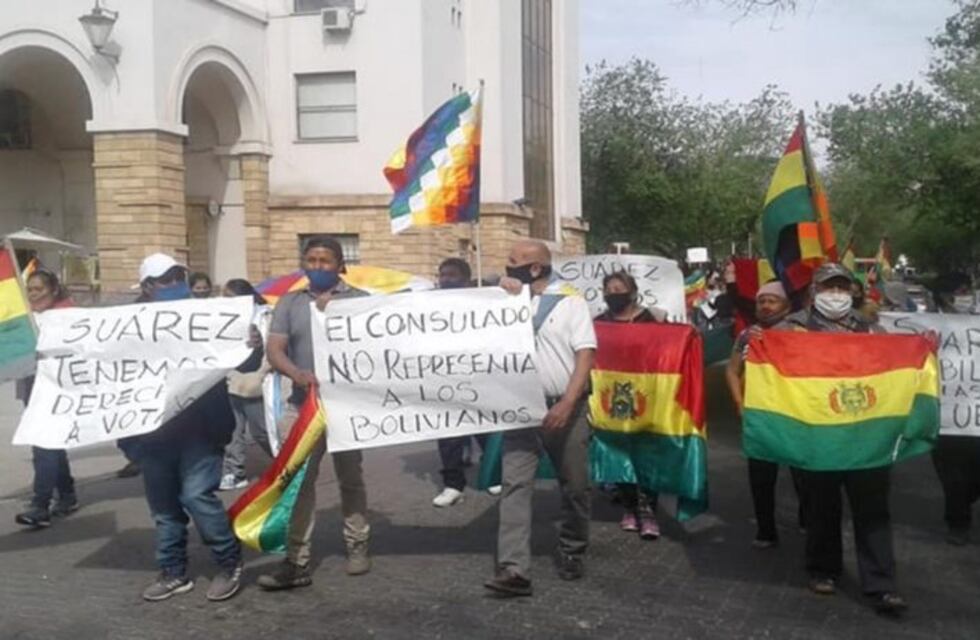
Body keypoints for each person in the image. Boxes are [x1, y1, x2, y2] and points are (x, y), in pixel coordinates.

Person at [775, 262, 907, 614]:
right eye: (829, 287)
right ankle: (823, 569)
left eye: (842, 287)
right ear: (813, 291)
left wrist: (923, 350)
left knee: (873, 509)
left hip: (865, 435)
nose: (836, 294)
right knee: (821, 506)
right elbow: (767, 363)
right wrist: (757, 345)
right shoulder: (791, 328)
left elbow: (898, 368)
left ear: (853, 291)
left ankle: (881, 584)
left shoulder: (872, 331)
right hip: (815, 434)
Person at [119, 253, 243, 603]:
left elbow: (243, 360)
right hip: (152, 433)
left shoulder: (207, 315)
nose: (176, 284)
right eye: (167, 279)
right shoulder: (124, 325)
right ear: (147, 287)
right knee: (163, 508)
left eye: (179, 277)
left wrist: (251, 343)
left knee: (196, 496)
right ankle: (173, 572)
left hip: (201, 430)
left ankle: (228, 561)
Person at [257, 236, 371, 590]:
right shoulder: (290, 303)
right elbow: (275, 349)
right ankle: (296, 560)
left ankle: (357, 546)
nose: (317, 266)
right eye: (311, 260)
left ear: (340, 265)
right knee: (299, 485)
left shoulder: (361, 301)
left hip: (346, 408)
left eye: (325, 260)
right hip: (301, 407)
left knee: (350, 480)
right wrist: (296, 374)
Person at [484, 240, 596, 598]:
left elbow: (585, 356)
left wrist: (567, 402)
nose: (507, 264)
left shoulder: (571, 302)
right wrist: (501, 296)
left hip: (566, 408)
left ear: (535, 269)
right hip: (521, 408)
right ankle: (514, 569)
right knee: (515, 485)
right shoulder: (504, 300)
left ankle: (572, 547)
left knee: (575, 485)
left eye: (514, 261)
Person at [724, 280, 806, 548]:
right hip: (758, 417)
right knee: (761, 476)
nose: (766, 306)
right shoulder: (747, 335)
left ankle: (807, 520)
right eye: (762, 301)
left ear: (786, 305)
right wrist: (739, 402)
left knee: (802, 473)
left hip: (794, 416)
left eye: (772, 301)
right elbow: (731, 371)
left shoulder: (799, 333)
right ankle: (765, 529)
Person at [594, 271, 666, 540]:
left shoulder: (654, 319)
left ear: (633, 291)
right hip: (612, 399)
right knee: (619, 454)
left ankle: (649, 512)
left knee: (647, 454)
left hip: (647, 396)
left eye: (619, 288)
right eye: (608, 289)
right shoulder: (599, 323)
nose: (614, 292)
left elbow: (668, 351)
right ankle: (629, 507)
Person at [14, 270, 77, 528]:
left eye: (38, 289)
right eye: (29, 289)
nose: (33, 294)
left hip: (58, 390)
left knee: (44, 442)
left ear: (53, 290)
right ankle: (67, 493)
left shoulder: (66, 318)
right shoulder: (27, 319)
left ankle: (40, 505)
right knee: (51, 442)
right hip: (33, 387)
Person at [431, 257, 493, 507]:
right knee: (448, 434)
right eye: (442, 274)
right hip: (443, 377)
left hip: (477, 377)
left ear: (466, 280)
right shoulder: (425, 306)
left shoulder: (483, 304)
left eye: (452, 275)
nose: (445, 279)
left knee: (486, 428)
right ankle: (453, 484)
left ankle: (492, 473)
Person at [219, 278, 274, 491]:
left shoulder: (264, 315)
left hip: (255, 379)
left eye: (230, 297)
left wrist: (262, 372)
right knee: (233, 430)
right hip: (233, 378)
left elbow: (271, 345)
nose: (226, 301)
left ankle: (286, 462)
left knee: (261, 430)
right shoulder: (224, 316)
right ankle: (234, 472)